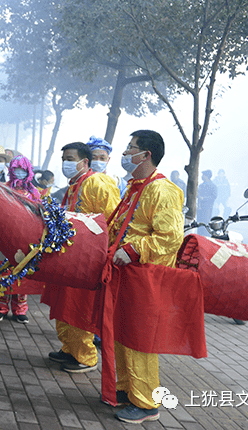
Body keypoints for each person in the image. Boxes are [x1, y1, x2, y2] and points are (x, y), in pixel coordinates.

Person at [109, 130, 184, 423]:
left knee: (139, 338)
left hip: (145, 275)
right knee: (123, 332)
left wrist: (134, 250)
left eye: (131, 149)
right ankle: (127, 391)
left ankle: (146, 403)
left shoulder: (161, 190)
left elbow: (170, 238)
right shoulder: (135, 187)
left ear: (146, 154)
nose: (126, 154)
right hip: (126, 272)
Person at [43, 142, 120, 373]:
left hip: (87, 259)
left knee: (78, 307)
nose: (66, 163)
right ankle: (69, 349)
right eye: (64, 158)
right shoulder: (74, 184)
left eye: (70, 158)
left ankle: (85, 356)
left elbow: (111, 221)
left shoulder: (96, 182)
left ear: (84, 162)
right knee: (64, 305)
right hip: (72, 256)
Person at [0, 156, 44, 324]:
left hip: (26, 240)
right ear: (11, 170)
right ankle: (1, 308)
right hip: (6, 238)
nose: (19, 172)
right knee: (4, 274)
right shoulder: (3, 188)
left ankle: (20, 310)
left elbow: (40, 214)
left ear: (29, 171)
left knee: (23, 274)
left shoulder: (34, 192)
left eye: (23, 169)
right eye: (16, 168)